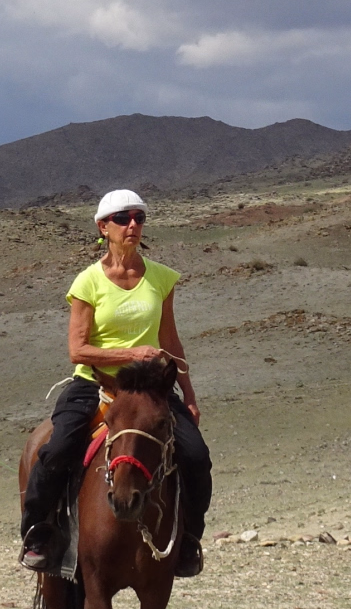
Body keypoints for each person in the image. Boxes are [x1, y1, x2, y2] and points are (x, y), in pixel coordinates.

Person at [19, 188, 211, 578]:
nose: (132, 225)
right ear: (103, 227)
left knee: (195, 455)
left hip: (151, 388)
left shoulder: (161, 278)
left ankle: (189, 539)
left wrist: (189, 394)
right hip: (95, 383)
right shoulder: (87, 282)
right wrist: (132, 352)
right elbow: (77, 350)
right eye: (122, 219)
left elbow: (170, 341)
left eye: (139, 217)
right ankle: (38, 533)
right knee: (56, 449)